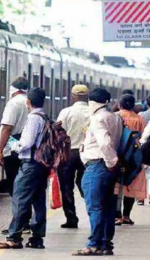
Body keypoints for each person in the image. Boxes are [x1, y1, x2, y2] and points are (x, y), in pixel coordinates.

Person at [0, 88, 49, 250]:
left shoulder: (33, 118)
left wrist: (12, 144)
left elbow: (26, 144)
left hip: (30, 165)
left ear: (28, 102)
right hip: (41, 166)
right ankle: (37, 237)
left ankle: (14, 237)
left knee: (20, 199)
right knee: (39, 201)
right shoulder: (45, 117)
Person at [73, 88, 123, 256]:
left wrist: (110, 161)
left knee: (95, 206)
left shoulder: (97, 119)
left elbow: (105, 143)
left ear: (91, 102)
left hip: (98, 166)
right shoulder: (115, 117)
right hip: (109, 169)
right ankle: (105, 243)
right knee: (108, 206)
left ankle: (94, 243)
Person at [0, 76, 31, 235]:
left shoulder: (14, 103)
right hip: (26, 147)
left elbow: (6, 129)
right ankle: (24, 221)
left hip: (13, 147)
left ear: (14, 89)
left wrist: (0, 150)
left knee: (15, 188)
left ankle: (19, 223)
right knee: (23, 187)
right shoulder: (29, 102)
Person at [56, 85, 90, 229]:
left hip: (68, 153)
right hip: (87, 154)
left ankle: (71, 218)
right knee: (87, 185)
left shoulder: (66, 112)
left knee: (66, 186)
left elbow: (57, 129)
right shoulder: (93, 112)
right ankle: (93, 212)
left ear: (72, 96)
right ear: (87, 97)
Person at [115, 95, 147, 217]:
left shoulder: (117, 116)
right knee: (132, 185)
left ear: (120, 104)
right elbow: (142, 136)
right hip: (134, 155)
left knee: (116, 186)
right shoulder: (139, 119)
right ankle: (126, 216)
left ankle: (117, 216)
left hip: (118, 154)